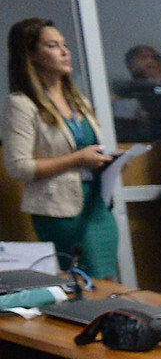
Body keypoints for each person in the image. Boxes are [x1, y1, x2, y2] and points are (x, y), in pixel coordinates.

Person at [4, 19, 119, 278]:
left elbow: (89, 150)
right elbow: (18, 167)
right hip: (61, 211)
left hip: (98, 206)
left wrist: (111, 161)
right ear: (31, 55)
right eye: (53, 46)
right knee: (85, 283)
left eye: (65, 45)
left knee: (109, 280)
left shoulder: (79, 101)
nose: (65, 52)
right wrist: (78, 158)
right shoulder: (21, 104)